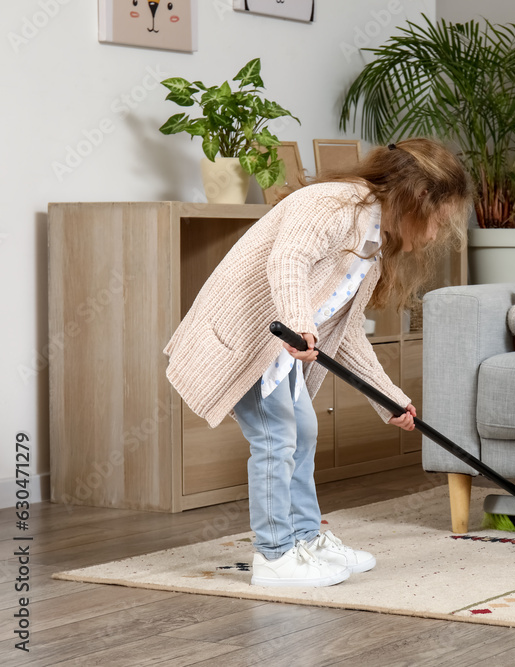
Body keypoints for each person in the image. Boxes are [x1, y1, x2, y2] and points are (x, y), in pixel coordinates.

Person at [163, 138, 472, 587]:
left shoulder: (372, 242)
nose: (435, 234)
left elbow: (342, 336)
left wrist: (389, 399)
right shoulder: (334, 203)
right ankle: (274, 556)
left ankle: (305, 539)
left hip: (282, 349)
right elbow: (288, 258)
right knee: (276, 440)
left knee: (302, 431)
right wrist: (295, 318)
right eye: (440, 220)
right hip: (251, 342)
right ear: (418, 197)